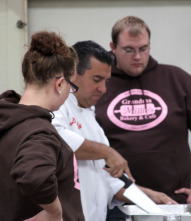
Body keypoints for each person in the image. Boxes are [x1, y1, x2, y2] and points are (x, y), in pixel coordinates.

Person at [95, 16, 191, 211]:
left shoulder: (175, 79)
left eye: (143, 49)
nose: (137, 57)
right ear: (113, 47)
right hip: (116, 204)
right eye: (129, 50)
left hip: (172, 204)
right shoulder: (100, 84)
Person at [0, 31, 85, 221]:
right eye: (71, 87)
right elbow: (35, 177)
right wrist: (54, 212)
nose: (70, 93)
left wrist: (10, 196)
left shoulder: (3, 125)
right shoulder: (39, 132)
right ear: (60, 84)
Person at [52, 40, 176, 221]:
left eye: (106, 81)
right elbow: (56, 139)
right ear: (73, 74)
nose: (103, 89)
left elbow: (108, 181)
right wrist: (107, 152)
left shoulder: (91, 118)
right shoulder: (57, 105)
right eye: (96, 80)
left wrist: (146, 195)